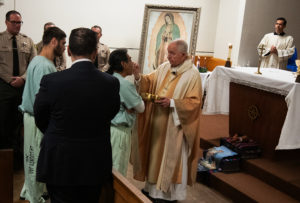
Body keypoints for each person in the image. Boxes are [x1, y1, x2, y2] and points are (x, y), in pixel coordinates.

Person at [33, 27, 120, 203]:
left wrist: (57, 131)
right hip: (94, 160)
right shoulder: (110, 83)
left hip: (59, 159)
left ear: (69, 51)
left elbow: (40, 116)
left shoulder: (52, 81)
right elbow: (111, 113)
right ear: (95, 53)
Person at [132, 39, 202, 202]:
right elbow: (149, 81)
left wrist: (172, 103)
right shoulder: (164, 67)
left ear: (183, 55)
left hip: (174, 126)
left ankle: (167, 195)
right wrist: (137, 76)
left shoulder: (192, 74)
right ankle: (151, 189)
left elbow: (195, 103)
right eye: (167, 52)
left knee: (170, 160)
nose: (167, 56)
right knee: (155, 156)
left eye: (172, 53)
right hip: (157, 122)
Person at [19, 27, 66, 203]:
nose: (64, 47)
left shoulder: (37, 59)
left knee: (30, 158)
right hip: (37, 119)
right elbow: (43, 101)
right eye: (62, 43)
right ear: (53, 41)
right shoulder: (45, 65)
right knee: (35, 160)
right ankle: (34, 198)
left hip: (31, 117)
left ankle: (27, 191)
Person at [0, 10, 36, 169]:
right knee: (3, 123)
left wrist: (23, 78)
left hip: (23, 87)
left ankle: (17, 160)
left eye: (19, 22)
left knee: (20, 124)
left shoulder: (28, 41)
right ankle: (4, 160)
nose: (17, 25)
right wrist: (9, 79)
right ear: (6, 22)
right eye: (14, 22)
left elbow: (33, 63)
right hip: (3, 87)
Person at [106, 49, 144, 176]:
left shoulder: (108, 78)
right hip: (119, 131)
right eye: (130, 60)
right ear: (123, 64)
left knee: (107, 167)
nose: (133, 63)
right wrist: (131, 107)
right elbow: (141, 108)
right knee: (117, 171)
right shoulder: (124, 84)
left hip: (107, 129)